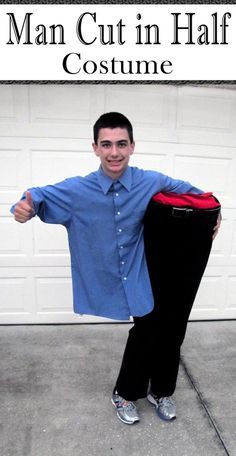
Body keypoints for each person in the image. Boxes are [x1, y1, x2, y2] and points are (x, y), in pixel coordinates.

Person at [12, 112, 221, 425]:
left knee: (168, 329)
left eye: (121, 144)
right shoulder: (77, 190)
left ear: (132, 146)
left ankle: (160, 390)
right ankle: (125, 393)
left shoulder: (150, 180)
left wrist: (214, 214)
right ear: (95, 147)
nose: (114, 152)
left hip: (143, 272)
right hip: (108, 274)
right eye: (106, 144)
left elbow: (192, 192)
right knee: (149, 330)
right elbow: (37, 196)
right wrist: (24, 207)